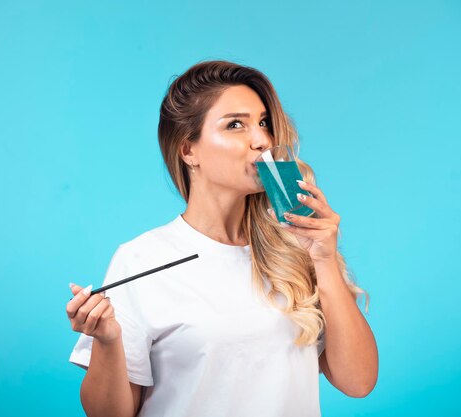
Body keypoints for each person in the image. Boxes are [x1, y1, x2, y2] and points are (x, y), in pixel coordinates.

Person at [66, 60, 378, 417]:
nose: (262, 140)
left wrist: (324, 260)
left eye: (263, 123)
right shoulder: (141, 259)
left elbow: (359, 382)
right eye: (235, 125)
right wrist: (107, 341)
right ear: (188, 151)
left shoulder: (295, 249)